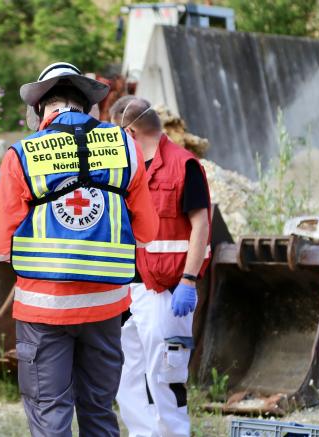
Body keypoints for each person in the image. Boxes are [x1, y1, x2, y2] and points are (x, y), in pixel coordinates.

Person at [0, 62, 159, 437]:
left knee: (50, 411)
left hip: (43, 307)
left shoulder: (22, 153)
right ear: (88, 105)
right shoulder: (125, 146)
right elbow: (147, 232)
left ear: (39, 109)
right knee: (98, 409)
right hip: (106, 308)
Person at [108, 96, 210, 437]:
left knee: (165, 375)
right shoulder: (126, 169)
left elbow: (201, 225)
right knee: (126, 375)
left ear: (129, 131)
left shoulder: (184, 166)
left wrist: (188, 281)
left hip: (167, 290)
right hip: (127, 290)